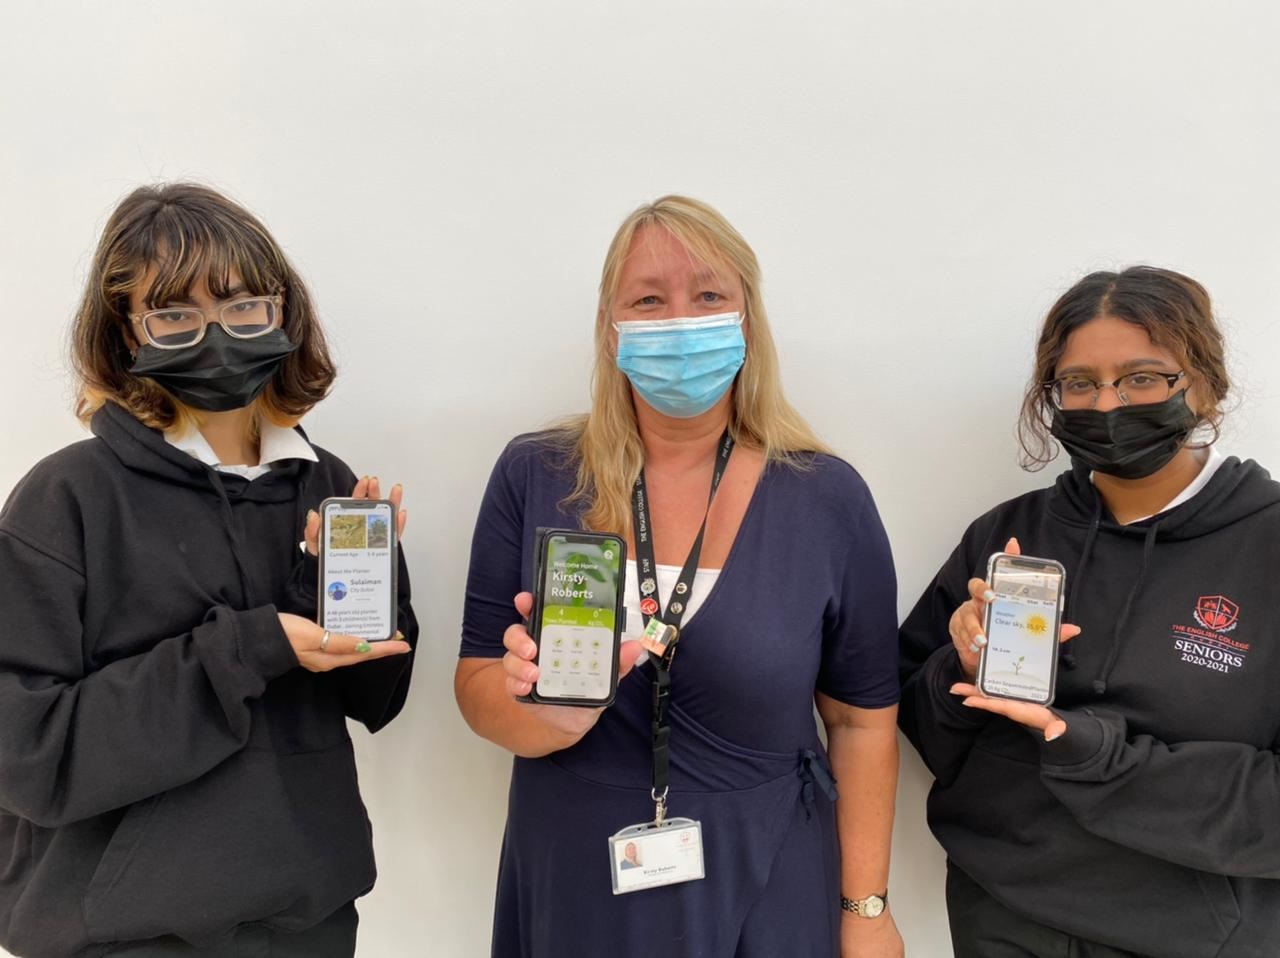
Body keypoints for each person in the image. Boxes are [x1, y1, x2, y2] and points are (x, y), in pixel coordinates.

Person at [455, 195, 903, 957]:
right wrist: (541, 711)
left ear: (747, 321)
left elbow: (862, 722)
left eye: (708, 295)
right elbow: (474, 685)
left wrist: (865, 910)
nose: (679, 322)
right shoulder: (537, 474)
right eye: (648, 300)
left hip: (766, 876)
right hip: (575, 875)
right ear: (611, 328)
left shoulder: (825, 497)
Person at [0, 183, 417, 958]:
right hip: (125, 937)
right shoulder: (67, 499)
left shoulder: (325, 483)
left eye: (242, 305)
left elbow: (375, 699)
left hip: (309, 924)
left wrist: (350, 593)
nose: (216, 334)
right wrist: (247, 648)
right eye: (174, 314)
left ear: (282, 314)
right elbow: (27, 755)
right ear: (125, 332)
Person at [898, 266, 1280, 957]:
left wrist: (1096, 755)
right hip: (999, 915)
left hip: (1198, 935)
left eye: (1141, 378)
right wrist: (959, 671)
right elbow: (918, 726)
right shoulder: (1009, 534)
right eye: (1079, 383)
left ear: (1205, 384)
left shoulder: (1268, 544)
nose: (1106, 406)